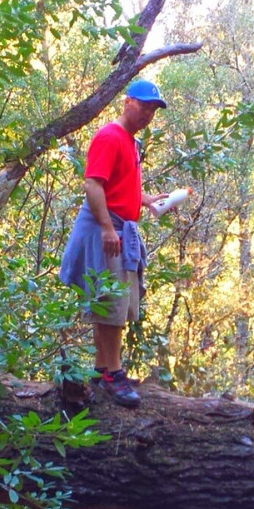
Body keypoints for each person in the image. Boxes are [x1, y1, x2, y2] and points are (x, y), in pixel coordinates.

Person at [58, 80, 169, 409]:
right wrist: (108, 229)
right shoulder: (109, 136)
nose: (148, 113)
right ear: (127, 102)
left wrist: (145, 199)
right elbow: (93, 185)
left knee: (110, 300)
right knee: (112, 304)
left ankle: (102, 368)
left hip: (119, 225)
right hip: (105, 228)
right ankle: (114, 375)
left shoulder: (130, 143)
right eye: (144, 105)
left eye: (153, 108)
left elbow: (116, 185)